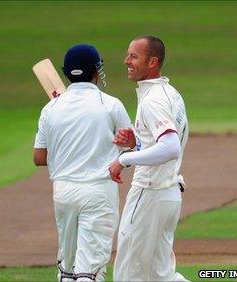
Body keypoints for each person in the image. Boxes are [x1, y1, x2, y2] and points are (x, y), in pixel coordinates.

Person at [33, 44, 132, 281]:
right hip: (98, 191)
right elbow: (133, 146)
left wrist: (67, 152)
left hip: (63, 192)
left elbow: (38, 158)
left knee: (67, 269)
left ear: (65, 72)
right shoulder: (110, 104)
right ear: (97, 71)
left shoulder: (50, 108)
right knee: (90, 270)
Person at [109, 35, 189, 281]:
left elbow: (170, 147)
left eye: (134, 56)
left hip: (149, 193)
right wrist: (137, 144)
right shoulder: (170, 92)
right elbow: (163, 142)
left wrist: (124, 160)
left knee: (127, 273)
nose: (126, 61)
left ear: (152, 61)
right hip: (168, 194)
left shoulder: (152, 100)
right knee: (160, 275)